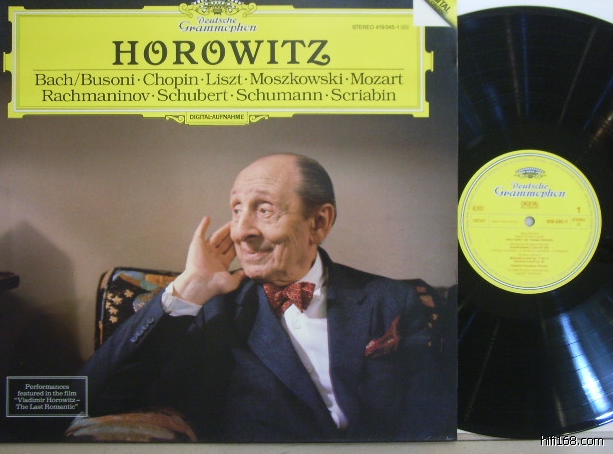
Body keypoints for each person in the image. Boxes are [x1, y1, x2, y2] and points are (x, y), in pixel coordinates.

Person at [78, 153, 454, 442]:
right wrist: (189, 287)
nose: (240, 230)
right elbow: (89, 398)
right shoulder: (214, 309)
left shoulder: (392, 300)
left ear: (319, 223)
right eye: (236, 209)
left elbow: (430, 418)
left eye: (264, 209)